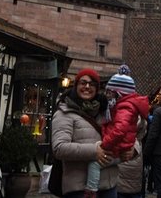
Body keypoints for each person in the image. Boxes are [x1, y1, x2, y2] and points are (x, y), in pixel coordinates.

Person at [52, 68, 125, 198]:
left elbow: (128, 133)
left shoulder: (106, 112)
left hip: (109, 187)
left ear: (97, 88)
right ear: (76, 86)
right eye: (83, 83)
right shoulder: (64, 113)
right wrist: (94, 151)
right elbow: (59, 148)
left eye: (92, 84)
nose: (87, 87)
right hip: (80, 189)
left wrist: (134, 150)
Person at [85, 65, 149, 196]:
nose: (107, 95)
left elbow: (129, 132)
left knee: (95, 165)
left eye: (110, 92)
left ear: (119, 94)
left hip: (121, 157)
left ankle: (91, 191)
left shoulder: (124, 108)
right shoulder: (115, 107)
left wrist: (104, 145)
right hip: (117, 161)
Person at [117, 103, 148, 198]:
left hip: (118, 180)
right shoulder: (141, 120)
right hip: (136, 169)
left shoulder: (119, 118)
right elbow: (142, 133)